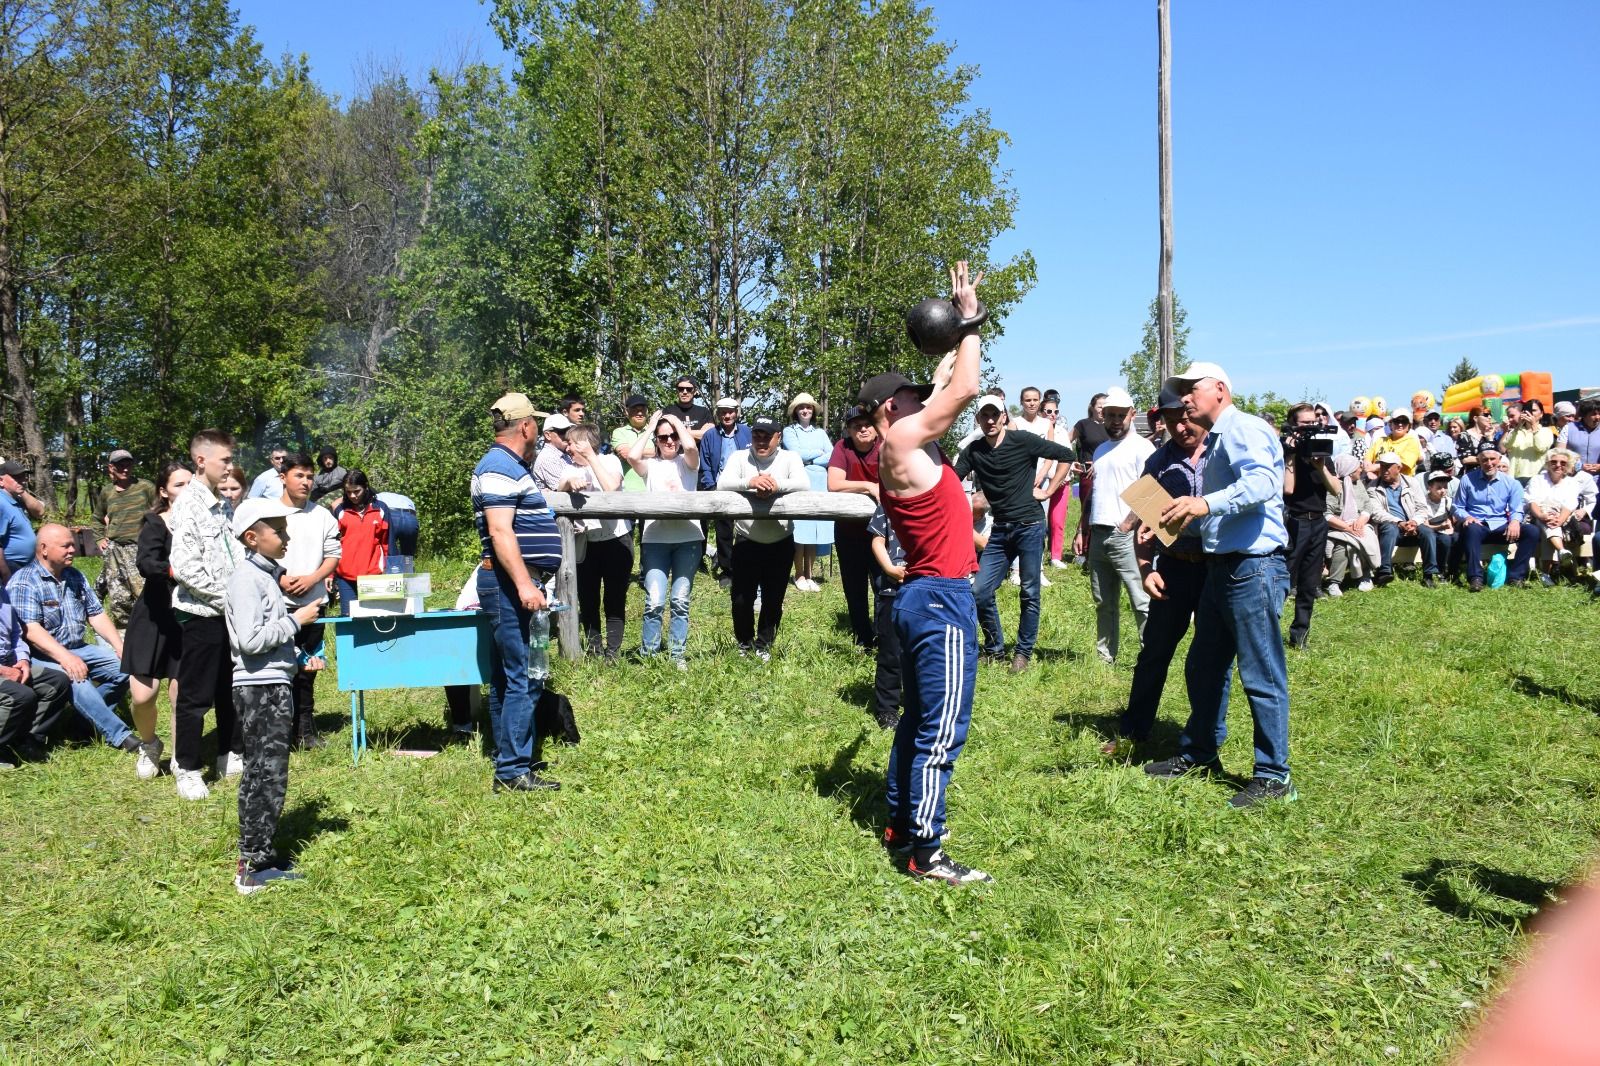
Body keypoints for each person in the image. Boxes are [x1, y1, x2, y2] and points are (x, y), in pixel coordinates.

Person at [865, 259, 989, 885]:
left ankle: (898, 821)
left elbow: (950, 382)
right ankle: (925, 853)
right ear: (895, 407)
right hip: (940, 601)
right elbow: (963, 391)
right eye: (915, 394)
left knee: (915, 720)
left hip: (922, 597)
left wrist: (958, 329)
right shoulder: (903, 441)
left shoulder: (912, 443)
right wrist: (970, 320)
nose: (927, 396)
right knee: (941, 731)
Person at [1149, 362, 1295, 809]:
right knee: (1204, 666)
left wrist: (1203, 503)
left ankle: (1274, 776)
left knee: (1261, 673)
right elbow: (1219, 511)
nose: (1185, 399)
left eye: (1191, 389)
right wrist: (1164, 521)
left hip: (1253, 568)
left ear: (1220, 389)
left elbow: (1264, 483)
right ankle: (1200, 754)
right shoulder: (1215, 441)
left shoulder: (1244, 428)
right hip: (1223, 568)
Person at [1103, 388, 1210, 757]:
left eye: (1186, 416)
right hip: (1175, 570)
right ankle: (1135, 728)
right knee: (1154, 652)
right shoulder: (1158, 463)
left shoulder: (1222, 455)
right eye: (1170, 419)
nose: (1181, 426)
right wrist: (1146, 568)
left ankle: (1204, 738)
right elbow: (1145, 525)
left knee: (1210, 658)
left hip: (1219, 570)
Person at [225, 497, 321, 894]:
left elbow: (267, 631)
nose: (285, 537)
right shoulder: (247, 578)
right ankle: (253, 865)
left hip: (271, 681)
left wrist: (298, 657)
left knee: (264, 771)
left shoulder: (265, 577)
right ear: (252, 537)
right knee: (266, 774)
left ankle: (257, 855)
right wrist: (297, 621)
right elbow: (249, 640)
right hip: (260, 687)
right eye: (277, 531)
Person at [471, 392, 565, 792]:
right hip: (512, 585)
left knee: (510, 677)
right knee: (526, 674)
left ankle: (507, 757)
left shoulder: (506, 466)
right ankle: (511, 770)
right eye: (537, 424)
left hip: (513, 582)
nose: (539, 431)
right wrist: (526, 584)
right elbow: (499, 530)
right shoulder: (498, 466)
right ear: (525, 426)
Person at [957, 393, 1079, 672]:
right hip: (1000, 529)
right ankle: (995, 648)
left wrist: (1048, 490)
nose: (989, 420)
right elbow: (951, 480)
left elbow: (1067, 455)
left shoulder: (1022, 441)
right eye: (984, 415)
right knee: (979, 591)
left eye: (994, 415)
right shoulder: (974, 451)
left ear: (1003, 417)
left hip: (1030, 526)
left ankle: (1022, 653)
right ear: (978, 419)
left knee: (1029, 591)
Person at [8, 524, 137, 757]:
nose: (72, 550)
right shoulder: (25, 581)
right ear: (44, 549)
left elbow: (96, 614)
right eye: (65, 545)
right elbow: (31, 631)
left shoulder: (74, 576)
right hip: (43, 654)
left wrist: (120, 647)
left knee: (128, 669)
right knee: (76, 678)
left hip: (79, 646)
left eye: (72, 545)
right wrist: (65, 658)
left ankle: (81, 724)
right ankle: (121, 736)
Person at [169, 429, 245, 799]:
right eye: (225, 460)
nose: (231, 466)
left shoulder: (222, 503)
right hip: (203, 614)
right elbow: (185, 568)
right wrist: (226, 599)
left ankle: (229, 752)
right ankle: (186, 767)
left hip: (231, 615)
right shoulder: (189, 505)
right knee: (196, 696)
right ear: (202, 461)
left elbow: (236, 554)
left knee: (230, 689)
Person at [1072, 387, 1152, 666]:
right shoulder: (1103, 449)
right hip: (1099, 533)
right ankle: (1105, 657)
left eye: (1121, 415)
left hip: (1126, 536)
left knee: (1140, 600)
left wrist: (1128, 524)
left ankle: (1149, 656)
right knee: (1104, 602)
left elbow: (1152, 490)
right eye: (1111, 416)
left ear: (1132, 414)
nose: (1116, 421)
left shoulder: (1143, 448)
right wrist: (1082, 528)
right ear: (1103, 417)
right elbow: (1095, 492)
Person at [718, 416, 809, 660]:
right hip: (747, 540)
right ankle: (744, 644)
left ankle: (764, 646)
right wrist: (751, 481)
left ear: (778, 438)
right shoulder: (739, 457)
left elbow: (804, 484)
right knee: (741, 598)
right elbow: (722, 483)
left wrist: (775, 484)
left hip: (781, 541)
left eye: (767, 436)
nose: (761, 441)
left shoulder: (791, 458)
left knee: (773, 598)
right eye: (757, 435)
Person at [121, 461, 191, 777]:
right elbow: (147, 563)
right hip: (152, 615)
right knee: (142, 696)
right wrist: (177, 572)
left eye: (191, 483)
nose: (187, 490)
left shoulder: (205, 524)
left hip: (187, 618)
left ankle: (180, 757)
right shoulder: (154, 522)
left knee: (181, 695)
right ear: (164, 491)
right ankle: (149, 744)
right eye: (179, 485)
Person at [625, 410, 702, 668]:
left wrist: (676, 422)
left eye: (672, 437)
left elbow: (690, 445)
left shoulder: (688, 462)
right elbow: (632, 455)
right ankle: (649, 654)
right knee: (654, 601)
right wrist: (649, 428)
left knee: (680, 601)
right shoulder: (651, 466)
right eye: (662, 437)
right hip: (655, 539)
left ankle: (677, 654)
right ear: (656, 441)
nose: (669, 441)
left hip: (688, 538)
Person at [278, 453, 340, 748]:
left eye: (309, 476)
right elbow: (255, 554)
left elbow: (333, 556)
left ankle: (305, 732)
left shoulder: (322, 515)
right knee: (280, 670)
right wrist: (279, 578)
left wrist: (313, 579)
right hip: (277, 605)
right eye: (298, 476)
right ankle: (279, 731)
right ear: (283, 478)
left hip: (314, 602)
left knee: (307, 669)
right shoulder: (268, 513)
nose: (305, 481)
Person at [565, 424, 630, 660]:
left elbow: (611, 487)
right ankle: (594, 650)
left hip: (616, 541)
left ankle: (613, 653)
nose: (567, 447)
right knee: (588, 599)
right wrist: (566, 485)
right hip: (585, 545)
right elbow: (557, 489)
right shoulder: (568, 468)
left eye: (572, 442)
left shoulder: (610, 461)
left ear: (585, 444)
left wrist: (591, 457)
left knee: (614, 598)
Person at [1281, 403, 1338, 649]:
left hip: (1318, 522)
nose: (1309, 427)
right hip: (1296, 521)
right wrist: (1291, 455)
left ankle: (1299, 636)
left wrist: (1320, 467)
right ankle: (1268, 631)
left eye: (1312, 422)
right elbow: (1288, 489)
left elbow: (1336, 489)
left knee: (1309, 584)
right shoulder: (1286, 452)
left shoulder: (1322, 452)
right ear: (1293, 424)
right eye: (1304, 423)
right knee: (1283, 580)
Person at [826, 406, 882, 650]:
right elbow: (834, 484)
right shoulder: (842, 447)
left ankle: (884, 636)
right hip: (848, 532)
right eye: (856, 425)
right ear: (848, 429)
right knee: (854, 587)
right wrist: (869, 486)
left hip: (882, 532)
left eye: (867, 424)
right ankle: (863, 638)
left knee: (883, 586)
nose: (863, 429)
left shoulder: (886, 447)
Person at [0, 581, 71, 768]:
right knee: (20, 696)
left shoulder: (2, 593)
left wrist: (23, 659)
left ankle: (27, 740)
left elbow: (15, 633)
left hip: (10, 661)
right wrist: (3, 670)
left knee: (57, 681)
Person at [1454, 440, 1539, 591]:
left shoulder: (1511, 483)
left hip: (1502, 526)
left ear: (1499, 459)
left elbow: (1517, 508)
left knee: (1532, 531)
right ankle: (1476, 578)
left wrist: (1514, 522)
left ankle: (1516, 576)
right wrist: (1467, 517)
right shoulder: (1467, 480)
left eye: (1492, 459)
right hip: (1478, 525)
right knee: (1470, 529)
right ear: (1479, 460)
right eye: (1484, 459)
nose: (1489, 463)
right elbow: (1457, 507)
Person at [93, 449, 157, 629]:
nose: (125, 469)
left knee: (143, 593)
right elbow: (97, 519)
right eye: (120, 465)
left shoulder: (145, 487)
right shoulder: (107, 492)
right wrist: (99, 539)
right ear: (111, 468)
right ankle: (123, 634)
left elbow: (160, 511)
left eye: (128, 464)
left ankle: (148, 630)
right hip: (114, 550)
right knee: (119, 596)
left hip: (139, 549)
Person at [782, 393, 833, 593]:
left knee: (815, 529)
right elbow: (795, 453)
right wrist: (817, 455)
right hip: (800, 482)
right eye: (801, 407)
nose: (805, 410)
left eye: (809, 407)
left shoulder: (820, 433)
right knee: (800, 530)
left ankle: (810, 575)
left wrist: (810, 459)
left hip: (820, 482)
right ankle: (799, 574)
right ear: (795, 410)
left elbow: (831, 455)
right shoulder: (789, 431)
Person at [699, 397, 750, 586]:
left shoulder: (747, 432)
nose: (727, 415)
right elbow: (704, 464)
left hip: (745, 486)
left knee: (746, 529)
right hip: (720, 487)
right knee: (724, 531)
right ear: (718, 414)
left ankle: (745, 567)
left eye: (730, 412)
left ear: (736, 413)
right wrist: (711, 486)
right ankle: (727, 571)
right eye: (723, 412)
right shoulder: (710, 435)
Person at [866, 504, 905, 730]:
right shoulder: (887, 506)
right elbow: (877, 541)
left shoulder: (932, 503)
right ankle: (887, 709)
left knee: (921, 650)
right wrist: (890, 569)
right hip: (892, 588)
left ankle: (919, 700)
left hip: (925, 585)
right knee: (890, 651)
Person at [1364, 452, 1428, 586]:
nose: (1384, 470)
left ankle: (1429, 574)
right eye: (1382, 467)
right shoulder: (1373, 487)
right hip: (1391, 526)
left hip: (1412, 523)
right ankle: (1384, 571)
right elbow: (1376, 513)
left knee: (1428, 532)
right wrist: (1399, 522)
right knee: (1389, 527)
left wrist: (1414, 522)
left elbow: (1422, 508)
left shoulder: (1411, 483)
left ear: (1398, 468)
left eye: (1388, 467)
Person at [331, 470, 391, 614]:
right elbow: (332, 545)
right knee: (348, 617)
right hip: (345, 576)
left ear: (365, 487)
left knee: (373, 616)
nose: (352, 496)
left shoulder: (381, 509)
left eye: (356, 491)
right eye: (348, 492)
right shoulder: (340, 511)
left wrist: (391, 569)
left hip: (373, 574)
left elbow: (387, 542)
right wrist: (330, 575)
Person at [1525, 449, 1586, 584]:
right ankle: (1561, 551)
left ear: (1568, 465)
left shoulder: (1572, 483)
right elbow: (1532, 502)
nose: (1558, 465)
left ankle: (1546, 574)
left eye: (1563, 462)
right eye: (1554, 462)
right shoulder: (1537, 479)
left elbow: (1569, 505)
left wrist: (1559, 520)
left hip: (1561, 519)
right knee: (1547, 512)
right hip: (1536, 516)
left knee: (1550, 525)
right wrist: (1542, 515)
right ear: (1548, 463)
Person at [1041, 392, 1075, 568]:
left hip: (1062, 483)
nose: (1053, 415)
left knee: (1057, 520)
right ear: (1041, 412)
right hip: (1043, 483)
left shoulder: (1061, 432)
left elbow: (1068, 456)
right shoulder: (1037, 431)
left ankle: (1055, 556)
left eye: (1055, 411)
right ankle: (1037, 553)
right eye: (1048, 411)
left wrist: (1062, 477)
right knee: (1041, 520)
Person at [1417, 469, 1458, 587]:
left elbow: (1453, 518)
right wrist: (1441, 526)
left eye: (1445, 487)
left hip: (1442, 531)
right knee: (1433, 538)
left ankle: (1442, 571)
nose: (1443, 490)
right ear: (1430, 487)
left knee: (1447, 540)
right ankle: (1429, 574)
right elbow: (1424, 524)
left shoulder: (1447, 501)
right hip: (1427, 530)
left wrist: (1452, 523)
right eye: (1439, 487)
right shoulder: (1423, 502)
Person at [0, 461, 40, 583]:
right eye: (16, 477)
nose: (22, 480)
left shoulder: (15, 500)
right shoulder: (1, 503)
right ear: (1, 481)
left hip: (24, 567)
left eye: (23, 476)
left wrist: (22, 491)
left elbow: (40, 512)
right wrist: (6, 575)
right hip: (11, 567)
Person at [1500, 403, 1554, 486]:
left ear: (1541, 414)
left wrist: (1534, 426)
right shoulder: (1515, 432)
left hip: (1535, 478)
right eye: (1528, 411)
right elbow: (1506, 446)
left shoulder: (1546, 431)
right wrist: (1517, 427)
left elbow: (1540, 448)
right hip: (1513, 477)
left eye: (1534, 411)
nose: (1530, 413)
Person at [610, 394, 652, 492]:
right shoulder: (619, 432)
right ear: (627, 411)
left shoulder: (655, 431)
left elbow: (664, 453)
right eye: (635, 410)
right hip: (628, 491)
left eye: (643, 410)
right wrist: (654, 453)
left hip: (653, 490)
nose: (640, 413)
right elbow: (626, 454)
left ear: (647, 411)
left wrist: (634, 452)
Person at [1364, 410, 1422, 476]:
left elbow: (1402, 466)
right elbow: (1367, 459)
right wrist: (1369, 472)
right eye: (1397, 421)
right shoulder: (1380, 440)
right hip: (1376, 481)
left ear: (1409, 426)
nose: (1400, 424)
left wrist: (1375, 467)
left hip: (1401, 483)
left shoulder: (1412, 442)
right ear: (1390, 424)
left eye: (1404, 422)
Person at [532, 412, 579, 493]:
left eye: (569, 430)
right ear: (547, 435)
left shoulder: (562, 453)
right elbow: (567, 490)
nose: (567, 435)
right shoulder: (548, 458)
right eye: (562, 431)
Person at [664, 377, 715, 442]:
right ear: (677, 391)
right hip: (675, 451)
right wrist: (697, 434)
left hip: (699, 451)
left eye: (689, 389)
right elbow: (665, 434)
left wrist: (677, 433)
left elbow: (709, 434)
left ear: (695, 391)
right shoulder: (668, 411)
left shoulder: (704, 412)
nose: (685, 392)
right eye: (681, 389)